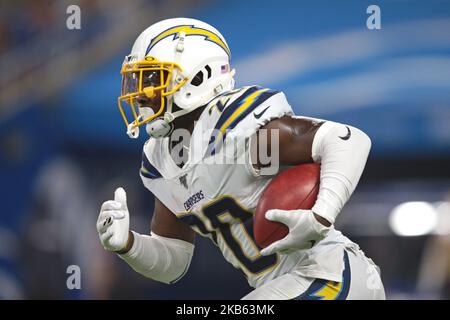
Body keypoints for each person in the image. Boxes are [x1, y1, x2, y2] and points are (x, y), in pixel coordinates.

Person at [96, 18, 385, 300]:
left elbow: (348, 139)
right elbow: (174, 261)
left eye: (152, 78)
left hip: (330, 275)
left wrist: (322, 214)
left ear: (197, 76)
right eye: (138, 79)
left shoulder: (238, 131)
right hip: (289, 285)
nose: (140, 94)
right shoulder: (160, 160)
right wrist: (128, 245)